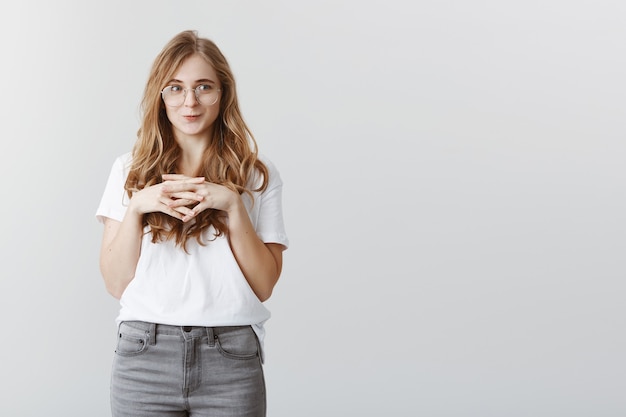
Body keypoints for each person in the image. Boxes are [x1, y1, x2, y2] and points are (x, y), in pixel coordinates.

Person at [95, 30, 289, 417]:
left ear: (224, 93)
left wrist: (233, 205)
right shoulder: (128, 170)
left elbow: (264, 285)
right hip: (143, 355)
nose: (190, 102)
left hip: (230, 357)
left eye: (204, 87)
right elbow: (116, 283)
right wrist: (136, 208)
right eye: (175, 88)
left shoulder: (257, 174)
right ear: (160, 95)